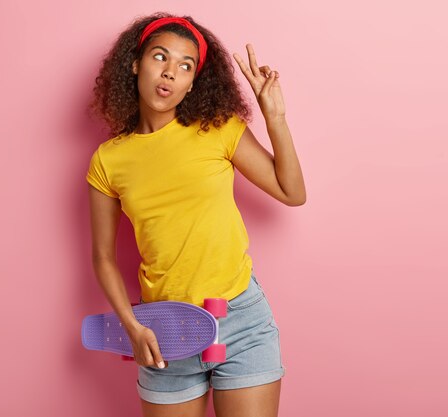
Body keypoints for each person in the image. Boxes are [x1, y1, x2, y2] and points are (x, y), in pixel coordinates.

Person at [85, 11, 305, 417]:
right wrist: (133, 328)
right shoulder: (108, 160)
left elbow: (292, 192)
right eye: (160, 57)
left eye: (185, 66)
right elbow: (102, 257)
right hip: (164, 331)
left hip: (241, 321)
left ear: (192, 84)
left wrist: (275, 117)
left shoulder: (217, 129)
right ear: (134, 64)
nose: (170, 73)